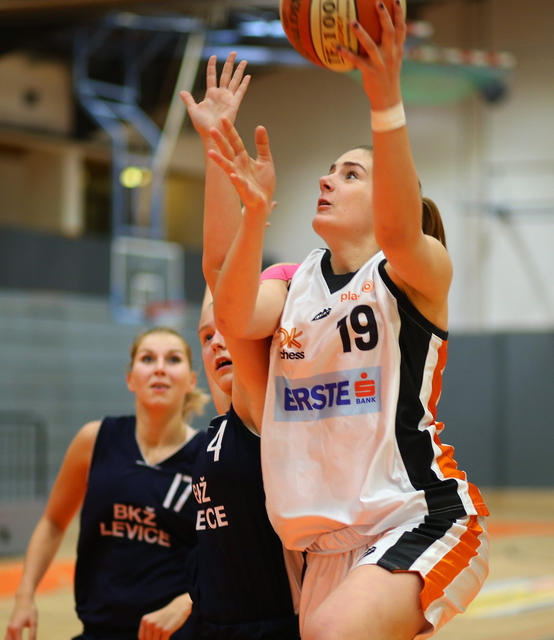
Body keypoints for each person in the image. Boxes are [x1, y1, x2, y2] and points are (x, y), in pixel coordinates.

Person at [204, 3, 490, 639]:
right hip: (326, 549)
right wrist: (244, 195)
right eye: (329, 169)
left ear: (388, 198)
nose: (328, 179)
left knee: (333, 632)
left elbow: (399, 228)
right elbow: (228, 305)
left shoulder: (412, 271)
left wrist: (385, 98)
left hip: (417, 515)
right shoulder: (296, 284)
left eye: (351, 173)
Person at [180, 53, 301, 639]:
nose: (219, 344)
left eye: (228, 333)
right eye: (207, 337)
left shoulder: (263, 415)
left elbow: (220, 269)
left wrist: (218, 148)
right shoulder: (216, 432)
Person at [5, 327, 208, 640]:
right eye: (147, 358)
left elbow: (230, 555)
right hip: (98, 629)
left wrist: (190, 601)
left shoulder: (208, 455)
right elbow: (54, 522)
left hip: (173, 635)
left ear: (191, 380)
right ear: (130, 379)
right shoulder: (94, 439)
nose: (159, 368)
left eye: (173, 359)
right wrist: (25, 595)